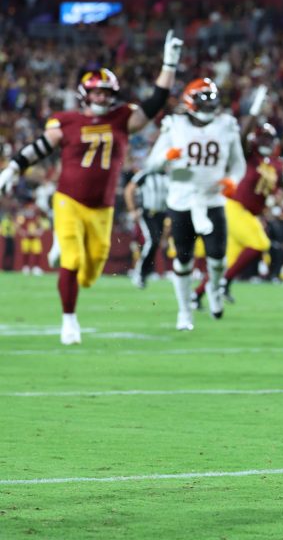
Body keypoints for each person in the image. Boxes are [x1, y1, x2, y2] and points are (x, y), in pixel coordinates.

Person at [0, 32, 182, 344]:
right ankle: (69, 321)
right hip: (68, 199)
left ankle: (64, 256)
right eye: (95, 93)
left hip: (103, 206)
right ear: (85, 94)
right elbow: (40, 147)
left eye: (105, 93)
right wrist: (14, 167)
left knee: (90, 273)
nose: (100, 98)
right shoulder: (67, 121)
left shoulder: (122, 118)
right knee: (71, 261)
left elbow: (155, 102)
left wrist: (170, 63)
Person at [141, 77, 245, 330]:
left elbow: (238, 164)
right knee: (183, 260)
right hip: (182, 199)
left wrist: (232, 180)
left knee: (218, 258)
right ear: (190, 103)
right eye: (204, 101)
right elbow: (151, 164)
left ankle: (214, 289)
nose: (210, 107)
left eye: (212, 101)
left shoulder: (226, 125)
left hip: (212, 198)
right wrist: (166, 156)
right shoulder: (174, 125)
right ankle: (184, 312)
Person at [194, 121, 283, 305]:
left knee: (227, 262)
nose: (266, 142)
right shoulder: (248, 156)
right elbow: (241, 139)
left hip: (248, 214)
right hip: (234, 207)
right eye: (263, 138)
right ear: (255, 139)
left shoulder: (276, 164)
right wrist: (252, 116)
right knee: (260, 244)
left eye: (269, 139)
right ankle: (224, 284)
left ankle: (196, 296)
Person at [124, 168, 170, 289]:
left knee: (156, 243)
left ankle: (145, 272)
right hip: (148, 213)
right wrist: (132, 210)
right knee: (152, 241)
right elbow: (129, 190)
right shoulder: (146, 173)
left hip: (163, 214)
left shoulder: (169, 175)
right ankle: (139, 273)